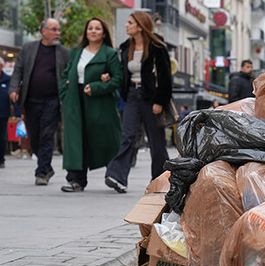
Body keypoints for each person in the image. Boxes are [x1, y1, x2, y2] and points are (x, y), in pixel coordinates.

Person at [104, 11, 172, 194]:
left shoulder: (157, 46)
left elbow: (165, 78)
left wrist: (160, 101)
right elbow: (122, 72)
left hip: (152, 98)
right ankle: (117, 177)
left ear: (140, 26)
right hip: (133, 96)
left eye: (130, 22)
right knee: (128, 136)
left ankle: (160, 180)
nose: (126, 25)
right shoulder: (126, 47)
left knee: (156, 141)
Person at [59, 17, 122, 192]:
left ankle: (116, 175)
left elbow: (117, 79)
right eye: (90, 28)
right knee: (75, 140)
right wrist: (64, 94)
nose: (93, 31)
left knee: (107, 137)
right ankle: (75, 180)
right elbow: (65, 74)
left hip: (100, 102)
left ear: (103, 33)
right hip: (74, 99)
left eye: (97, 28)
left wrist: (96, 87)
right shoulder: (76, 52)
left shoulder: (109, 53)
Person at [9, 18, 69, 185]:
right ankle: (46, 167)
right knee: (34, 136)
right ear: (44, 31)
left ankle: (42, 172)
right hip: (31, 100)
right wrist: (13, 89)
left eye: (58, 30)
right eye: (54, 29)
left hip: (52, 101)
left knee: (47, 135)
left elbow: (68, 75)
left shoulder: (64, 52)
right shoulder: (28, 48)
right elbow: (18, 71)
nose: (58, 33)